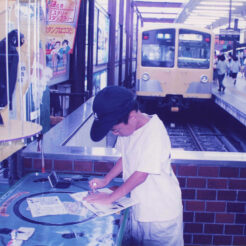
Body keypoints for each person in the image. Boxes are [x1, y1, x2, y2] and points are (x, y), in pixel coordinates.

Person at [84, 86, 184, 246]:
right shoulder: (128, 130)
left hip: (160, 216)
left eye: (115, 130)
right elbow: (126, 157)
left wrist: (110, 198)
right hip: (139, 208)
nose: (115, 134)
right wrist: (106, 180)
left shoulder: (154, 132)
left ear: (132, 116)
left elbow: (141, 174)